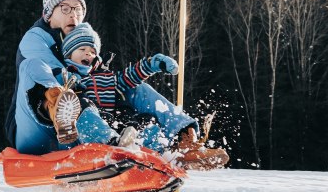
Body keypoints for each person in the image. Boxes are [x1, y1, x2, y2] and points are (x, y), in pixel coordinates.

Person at [4, 0, 228, 170]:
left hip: (78, 131)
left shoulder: (88, 51)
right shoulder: (35, 38)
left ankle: (182, 142)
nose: (74, 14)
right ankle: (67, 112)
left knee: (133, 89)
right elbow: (59, 76)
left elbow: (117, 80)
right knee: (35, 68)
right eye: (65, 8)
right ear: (48, 14)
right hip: (36, 129)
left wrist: (148, 66)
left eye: (78, 10)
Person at [60, 22, 229, 170]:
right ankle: (111, 144)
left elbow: (130, 76)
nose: (88, 54)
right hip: (92, 129)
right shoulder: (65, 76)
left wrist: (151, 65)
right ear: (68, 54)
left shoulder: (108, 77)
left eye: (92, 51)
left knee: (145, 120)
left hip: (116, 123)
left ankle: (165, 154)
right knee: (81, 106)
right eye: (82, 49)